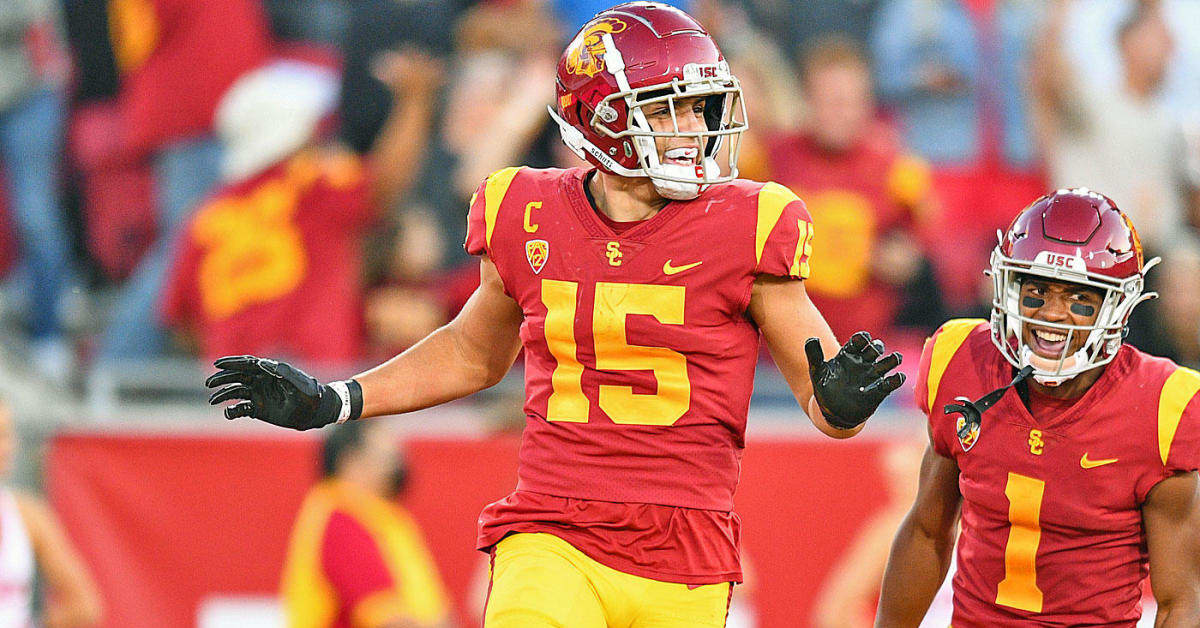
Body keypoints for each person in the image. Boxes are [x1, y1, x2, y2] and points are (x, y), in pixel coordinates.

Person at [207, 4, 905, 627]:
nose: (694, 129)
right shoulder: (528, 210)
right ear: (602, 116)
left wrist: (844, 403)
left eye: (700, 108)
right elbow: (473, 353)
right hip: (554, 531)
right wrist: (338, 399)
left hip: (685, 553)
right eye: (668, 109)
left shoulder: (749, 222)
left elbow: (823, 395)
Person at [874, 188, 1200, 626]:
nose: (1052, 315)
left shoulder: (1164, 406)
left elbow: (1182, 598)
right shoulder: (960, 359)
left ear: (1118, 306)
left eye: (1079, 299)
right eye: (1037, 293)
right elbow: (927, 533)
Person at [766, 36, 942, 343]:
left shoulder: (897, 167)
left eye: (849, 102)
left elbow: (932, 250)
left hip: (862, 347)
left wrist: (909, 261)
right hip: (781, 346)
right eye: (829, 101)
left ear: (868, 104)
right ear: (806, 100)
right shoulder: (772, 159)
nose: (840, 113)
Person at [281, 420, 452, 628]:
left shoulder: (380, 515)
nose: (398, 465)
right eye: (386, 457)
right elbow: (387, 617)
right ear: (351, 462)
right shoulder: (341, 519)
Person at [0, 401, 103, 627]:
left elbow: (84, 604)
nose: (8, 447)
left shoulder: (29, 515)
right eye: (1, 435)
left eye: (8, 435)